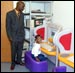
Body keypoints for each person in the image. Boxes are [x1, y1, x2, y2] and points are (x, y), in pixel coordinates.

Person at [6, 1, 25, 70]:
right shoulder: (9, 14)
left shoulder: (22, 14)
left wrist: (23, 35)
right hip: (13, 37)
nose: (23, 8)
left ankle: (19, 61)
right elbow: (7, 27)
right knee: (13, 51)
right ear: (18, 5)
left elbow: (22, 25)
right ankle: (13, 63)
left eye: (24, 6)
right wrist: (10, 37)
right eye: (22, 6)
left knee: (20, 50)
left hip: (21, 36)